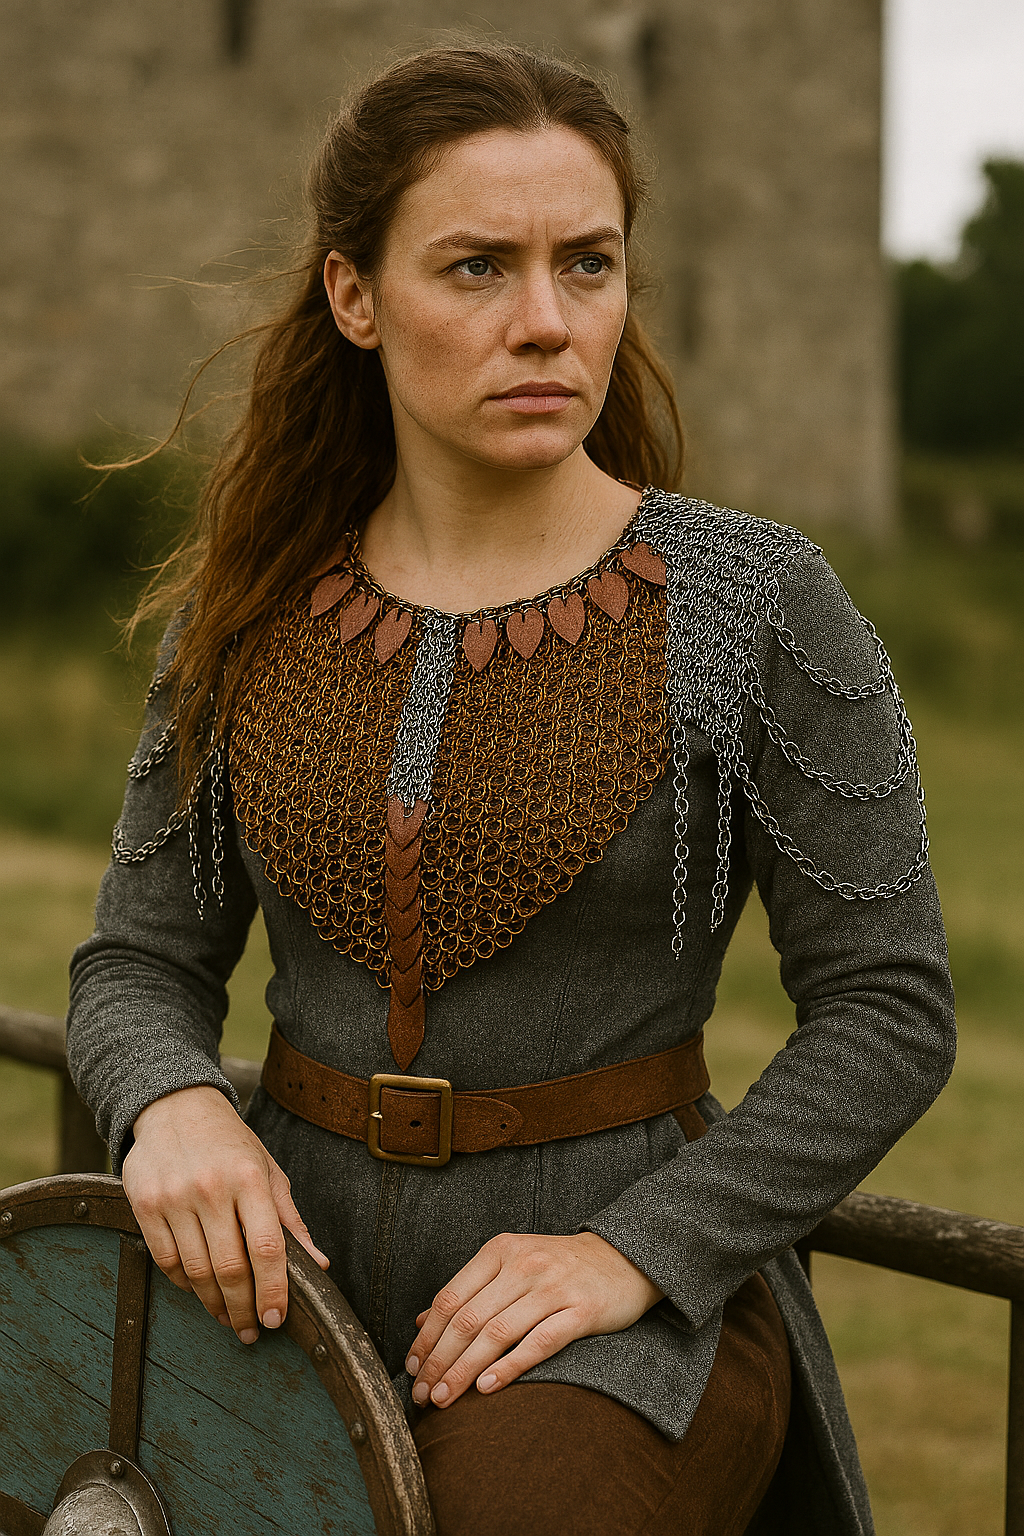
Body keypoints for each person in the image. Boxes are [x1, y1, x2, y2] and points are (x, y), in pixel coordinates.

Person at [67, 44, 955, 1536]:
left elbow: (890, 1007)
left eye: (586, 265)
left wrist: (639, 1249)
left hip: (622, 1309)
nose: (546, 322)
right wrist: (172, 1108)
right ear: (356, 297)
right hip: (290, 1284)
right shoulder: (251, 607)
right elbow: (134, 962)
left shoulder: (758, 603)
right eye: (478, 267)